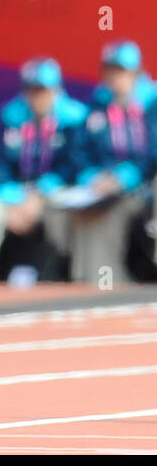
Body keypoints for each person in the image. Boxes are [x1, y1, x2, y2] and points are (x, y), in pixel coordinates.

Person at [0, 57, 87, 287]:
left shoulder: (74, 118)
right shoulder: (12, 116)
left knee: (69, 211)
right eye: (32, 90)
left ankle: (67, 275)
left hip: (56, 192)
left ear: (56, 90)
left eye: (42, 90)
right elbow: (2, 167)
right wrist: (12, 196)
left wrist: (40, 195)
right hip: (18, 195)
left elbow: (75, 166)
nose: (37, 97)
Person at [66, 40, 156, 284]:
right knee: (89, 213)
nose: (116, 77)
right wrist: (93, 177)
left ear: (136, 72)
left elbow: (153, 151)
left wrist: (125, 177)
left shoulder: (152, 102)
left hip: (146, 183)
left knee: (122, 207)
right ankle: (97, 282)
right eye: (111, 70)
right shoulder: (98, 104)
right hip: (106, 187)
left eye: (122, 71)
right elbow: (81, 151)